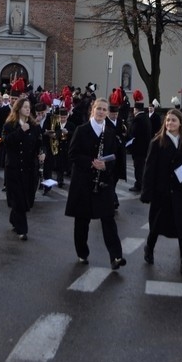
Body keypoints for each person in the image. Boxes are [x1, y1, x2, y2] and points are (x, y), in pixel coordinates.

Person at [65, 98, 126, 269]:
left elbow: (115, 157)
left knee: (108, 219)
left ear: (107, 113)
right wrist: (91, 162)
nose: (101, 112)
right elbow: (73, 154)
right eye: (98, 109)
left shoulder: (111, 133)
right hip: (83, 182)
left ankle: (116, 256)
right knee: (82, 220)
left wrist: (106, 165)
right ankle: (82, 253)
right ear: (92, 110)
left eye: (104, 110)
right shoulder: (81, 130)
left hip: (103, 182)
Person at [140, 108, 182, 277]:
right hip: (162, 192)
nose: (170, 123)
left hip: (180, 191)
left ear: (180, 123)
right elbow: (149, 169)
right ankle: (149, 247)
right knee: (156, 225)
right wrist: (147, 193)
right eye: (168, 120)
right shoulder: (157, 142)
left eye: (173, 120)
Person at [3, 96, 42, 241]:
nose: (28, 109)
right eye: (25, 107)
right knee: (18, 198)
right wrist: (20, 132)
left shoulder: (34, 126)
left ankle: (14, 218)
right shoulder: (10, 125)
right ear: (18, 109)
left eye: (29, 107)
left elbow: (39, 143)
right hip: (14, 168)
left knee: (27, 199)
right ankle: (22, 230)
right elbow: (6, 143)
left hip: (28, 169)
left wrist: (42, 153)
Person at [127, 89, 152, 192]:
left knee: (138, 168)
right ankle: (142, 183)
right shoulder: (146, 118)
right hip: (146, 147)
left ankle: (139, 185)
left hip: (138, 149)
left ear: (135, 110)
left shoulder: (137, 119)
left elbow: (133, 133)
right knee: (142, 167)